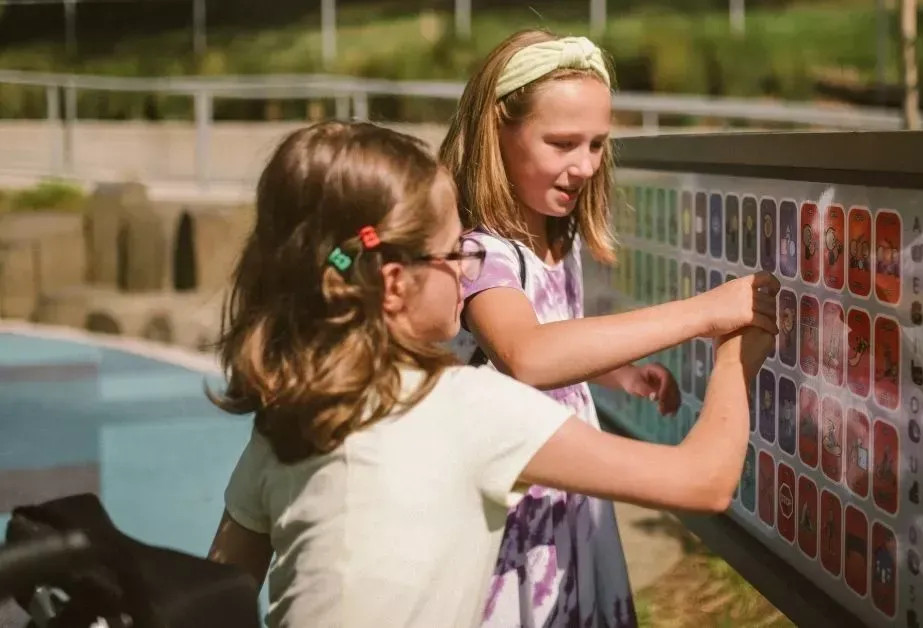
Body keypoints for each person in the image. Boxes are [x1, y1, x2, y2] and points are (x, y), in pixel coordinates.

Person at [205, 120, 780, 628]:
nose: (467, 268)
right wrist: (736, 352)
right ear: (395, 283)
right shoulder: (464, 407)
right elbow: (703, 480)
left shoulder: (290, 416)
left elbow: (218, 588)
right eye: (454, 252)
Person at [438, 29, 779, 627]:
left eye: (597, 144)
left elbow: (555, 334)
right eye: (562, 143)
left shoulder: (553, 234)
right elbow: (526, 353)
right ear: (497, 131)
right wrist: (703, 313)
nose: (585, 167)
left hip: (572, 510)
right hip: (514, 531)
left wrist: (616, 372)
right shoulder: (480, 254)